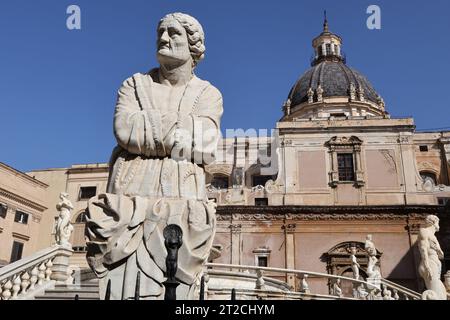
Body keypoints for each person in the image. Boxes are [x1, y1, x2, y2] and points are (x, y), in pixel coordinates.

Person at [85, 12, 223, 300]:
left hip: (183, 200)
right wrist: (182, 128)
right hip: (128, 199)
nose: (163, 38)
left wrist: (147, 126)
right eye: (160, 32)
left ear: (193, 44)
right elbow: (124, 131)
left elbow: (206, 141)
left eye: (173, 33)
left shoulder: (209, 94)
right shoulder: (134, 85)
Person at [417, 215, 447, 300]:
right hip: (429, 262)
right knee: (436, 295)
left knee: (442, 293)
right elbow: (423, 249)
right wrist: (427, 266)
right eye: (438, 223)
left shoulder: (434, 236)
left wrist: (438, 250)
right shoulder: (424, 231)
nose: (439, 225)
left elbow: (441, 255)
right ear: (433, 223)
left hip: (436, 263)